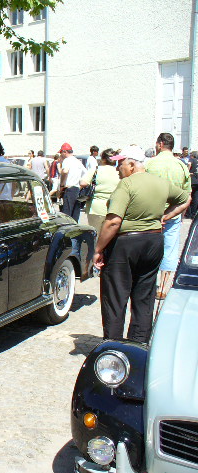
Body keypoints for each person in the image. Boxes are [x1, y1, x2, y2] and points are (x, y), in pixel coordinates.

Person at [93, 145, 189, 343]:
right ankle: (139, 344)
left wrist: (98, 249)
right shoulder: (160, 183)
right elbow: (185, 199)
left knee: (115, 298)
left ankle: (113, 346)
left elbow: (113, 222)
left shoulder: (126, 185)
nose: (118, 168)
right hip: (153, 241)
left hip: (125, 244)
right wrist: (164, 216)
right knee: (144, 297)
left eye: (120, 163)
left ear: (131, 165)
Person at [145, 132, 191, 299]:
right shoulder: (181, 166)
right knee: (170, 250)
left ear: (160, 144)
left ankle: (146, 284)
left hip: (151, 213)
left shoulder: (150, 164)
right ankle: (163, 288)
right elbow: (187, 195)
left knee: (148, 249)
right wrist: (178, 213)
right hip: (173, 213)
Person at [79, 148, 120, 232]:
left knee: (96, 232)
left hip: (95, 207)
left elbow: (83, 183)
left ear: (103, 159)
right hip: (113, 207)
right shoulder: (118, 171)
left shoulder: (96, 169)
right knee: (109, 234)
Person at [58, 142, 87, 222]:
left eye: (61, 153)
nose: (61, 155)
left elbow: (65, 171)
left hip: (68, 188)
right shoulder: (77, 161)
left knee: (66, 214)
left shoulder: (67, 160)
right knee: (75, 214)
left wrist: (62, 185)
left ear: (64, 152)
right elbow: (85, 173)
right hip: (77, 189)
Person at [188, 151, 198, 218]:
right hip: (197, 181)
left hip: (192, 180)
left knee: (188, 196)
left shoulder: (192, 159)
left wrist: (187, 171)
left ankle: (188, 214)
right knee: (195, 198)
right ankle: (193, 213)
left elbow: (189, 164)